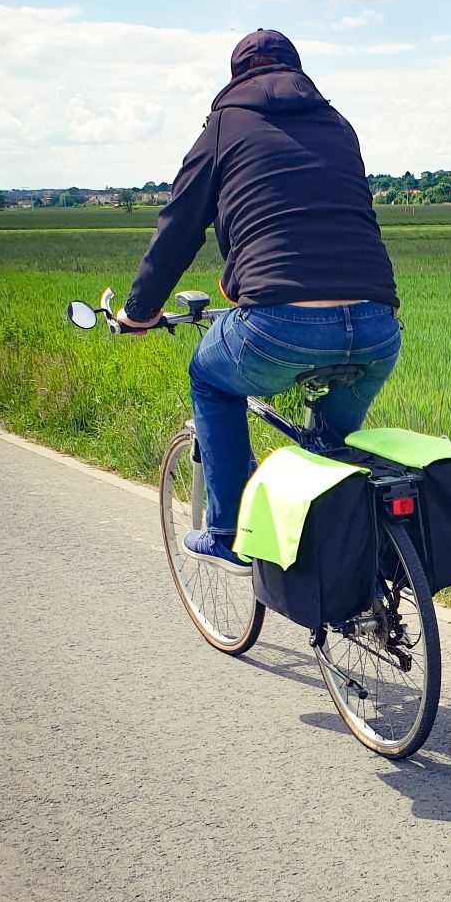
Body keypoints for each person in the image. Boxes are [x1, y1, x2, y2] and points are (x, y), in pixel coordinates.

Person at [118, 29, 399, 574]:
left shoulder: (226, 125)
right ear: (299, 73)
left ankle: (226, 530)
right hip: (376, 326)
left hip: (278, 325)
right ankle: (343, 566)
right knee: (334, 453)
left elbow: (180, 225)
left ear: (237, 76)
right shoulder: (340, 126)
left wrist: (140, 310)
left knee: (209, 378)